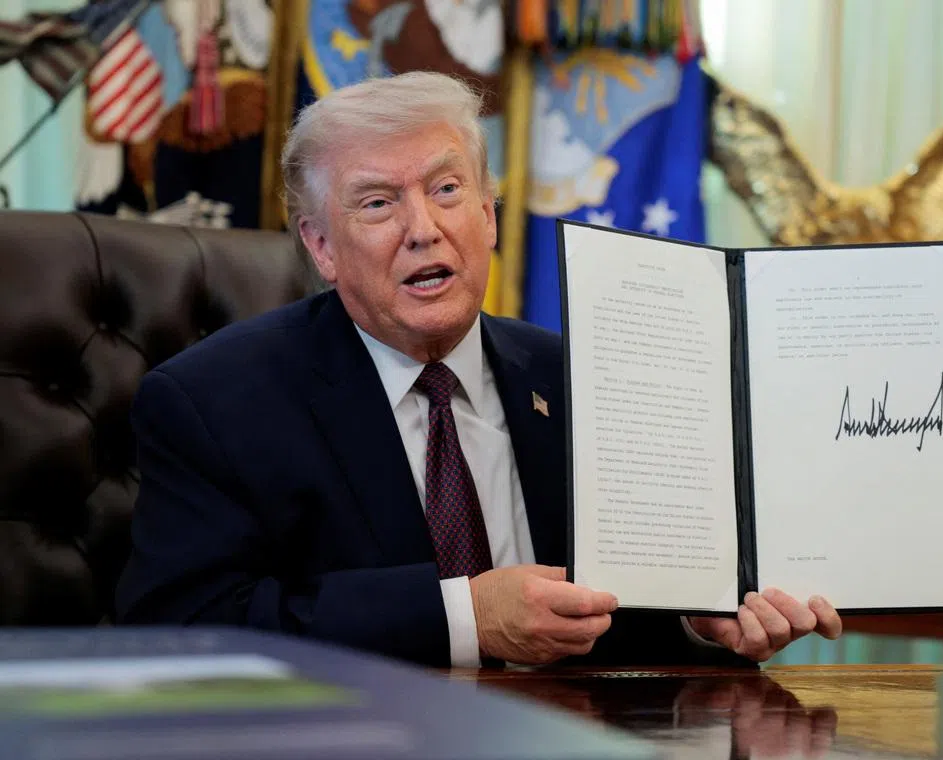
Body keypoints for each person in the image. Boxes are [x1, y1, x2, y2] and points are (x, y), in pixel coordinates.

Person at [115, 71, 843, 668]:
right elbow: (183, 635)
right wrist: (465, 617)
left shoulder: (585, 382)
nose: (423, 228)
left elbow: (616, 627)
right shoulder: (214, 404)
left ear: (489, 217)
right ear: (321, 247)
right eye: (377, 202)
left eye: (447, 189)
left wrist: (699, 625)